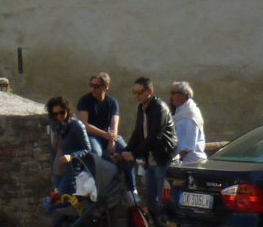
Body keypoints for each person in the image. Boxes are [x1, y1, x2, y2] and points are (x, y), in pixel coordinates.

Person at [119, 76, 177, 213]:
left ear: (149, 91)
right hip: (150, 159)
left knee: (164, 200)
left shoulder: (159, 108)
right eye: (135, 92)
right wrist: (124, 153)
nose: (137, 96)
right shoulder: (142, 108)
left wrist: (133, 154)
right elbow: (137, 134)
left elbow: (154, 137)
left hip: (164, 158)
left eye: (140, 92)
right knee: (151, 200)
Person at [47, 96, 93, 194]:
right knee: (58, 201)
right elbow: (53, 151)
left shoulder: (76, 125)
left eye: (62, 112)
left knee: (61, 201)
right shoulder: (54, 127)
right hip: (57, 171)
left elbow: (87, 149)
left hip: (72, 171)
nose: (59, 116)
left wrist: (71, 156)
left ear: (67, 110)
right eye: (56, 114)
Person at [77, 73, 120, 158]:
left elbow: (114, 124)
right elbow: (84, 125)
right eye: (91, 85)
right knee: (97, 152)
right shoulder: (84, 101)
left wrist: (112, 141)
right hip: (92, 135)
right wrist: (105, 135)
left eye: (96, 86)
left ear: (106, 87)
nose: (93, 89)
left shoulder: (112, 102)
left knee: (125, 149)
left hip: (108, 134)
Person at [168, 82, 207, 166]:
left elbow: (188, 146)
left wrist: (174, 162)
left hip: (191, 164)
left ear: (184, 95)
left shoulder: (190, 115)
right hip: (181, 162)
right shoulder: (179, 112)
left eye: (173, 93)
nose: (171, 96)